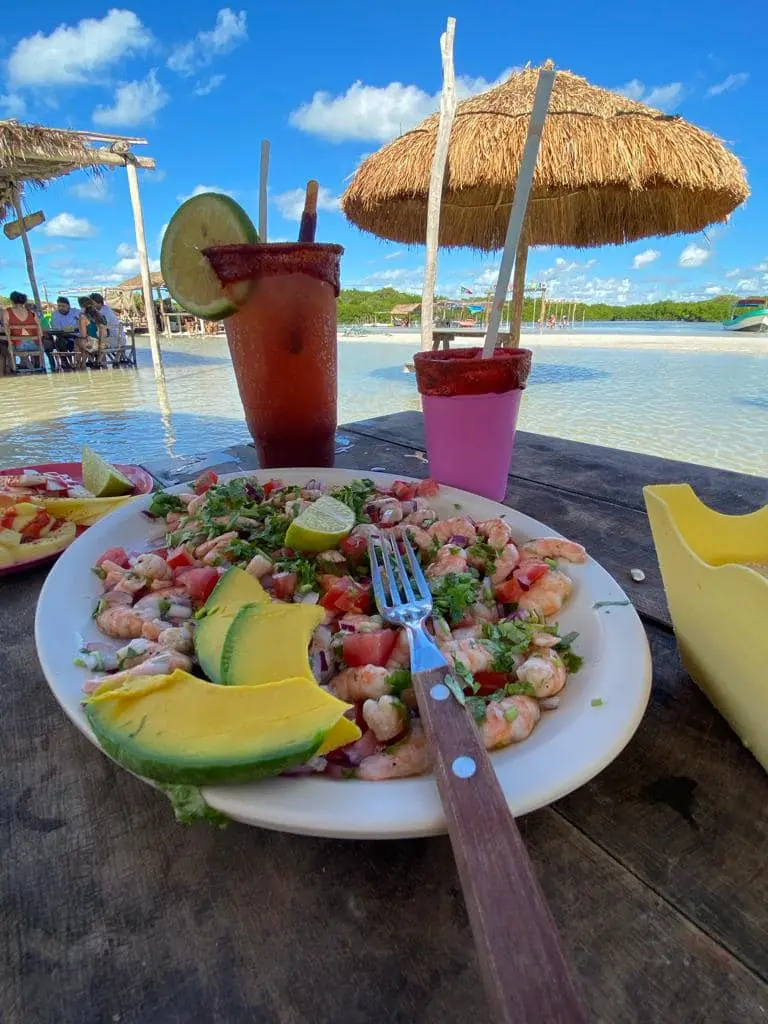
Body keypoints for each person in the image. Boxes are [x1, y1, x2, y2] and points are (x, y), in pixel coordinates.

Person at [2, 291, 44, 371]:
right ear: (24, 301)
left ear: (12, 300)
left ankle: (19, 369)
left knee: (9, 346)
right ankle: (33, 367)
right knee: (15, 343)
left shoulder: (7, 312)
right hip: (35, 345)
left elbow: (7, 331)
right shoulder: (32, 313)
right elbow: (40, 333)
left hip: (19, 346)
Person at [89, 293, 124, 365]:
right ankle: (99, 362)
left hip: (115, 340)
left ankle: (97, 362)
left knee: (87, 342)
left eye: (92, 303)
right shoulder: (106, 309)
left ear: (99, 303)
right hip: (118, 339)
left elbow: (99, 327)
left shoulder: (103, 312)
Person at [50, 296, 81, 369]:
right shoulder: (55, 314)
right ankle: (65, 362)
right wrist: (71, 329)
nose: (61, 308)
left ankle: (79, 363)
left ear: (68, 306)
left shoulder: (76, 312)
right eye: (59, 306)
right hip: (63, 336)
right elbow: (57, 329)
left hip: (76, 336)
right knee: (59, 340)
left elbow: (83, 324)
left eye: (63, 306)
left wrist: (69, 329)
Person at [78, 297, 107, 368]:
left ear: (81, 306)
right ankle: (103, 364)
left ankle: (80, 365)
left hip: (93, 346)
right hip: (104, 345)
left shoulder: (83, 317)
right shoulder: (101, 315)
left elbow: (83, 335)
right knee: (84, 341)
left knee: (77, 342)